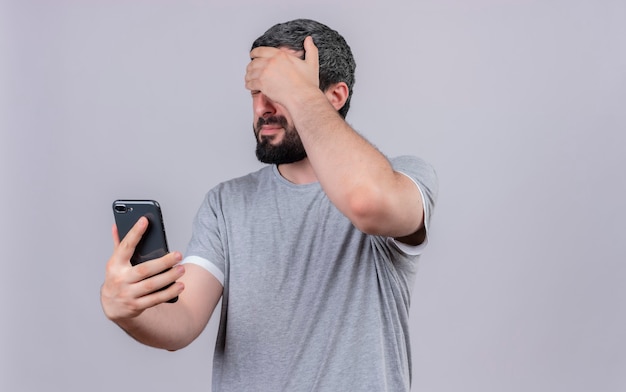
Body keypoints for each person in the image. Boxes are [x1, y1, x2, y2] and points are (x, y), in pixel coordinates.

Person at [101, 18, 437, 391]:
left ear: (335, 96)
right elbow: (181, 323)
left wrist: (301, 94)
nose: (262, 107)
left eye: (278, 89)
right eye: (256, 92)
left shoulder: (401, 177)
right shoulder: (226, 203)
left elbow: (367, 202)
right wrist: (128, 310)